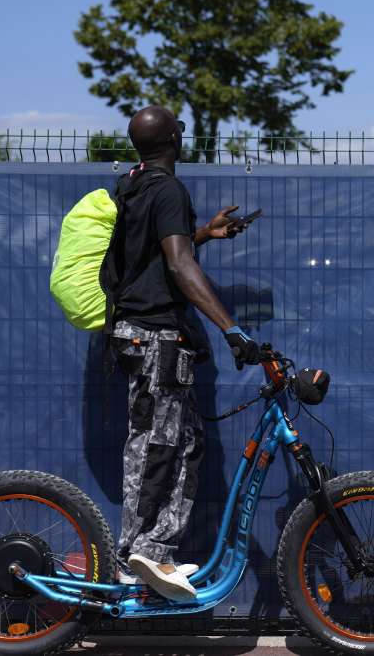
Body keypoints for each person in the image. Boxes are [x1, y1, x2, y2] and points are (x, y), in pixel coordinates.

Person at [103, 104, 260, 601]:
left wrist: (204, 234)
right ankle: (137, 555)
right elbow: (175, 263)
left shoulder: (133, 186)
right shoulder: (167, 188)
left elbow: (156, 253)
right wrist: (232, 329)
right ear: (173, 137)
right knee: (157, 445)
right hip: (154, 338)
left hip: (141, 334)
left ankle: (157, 552)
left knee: (186, 444)